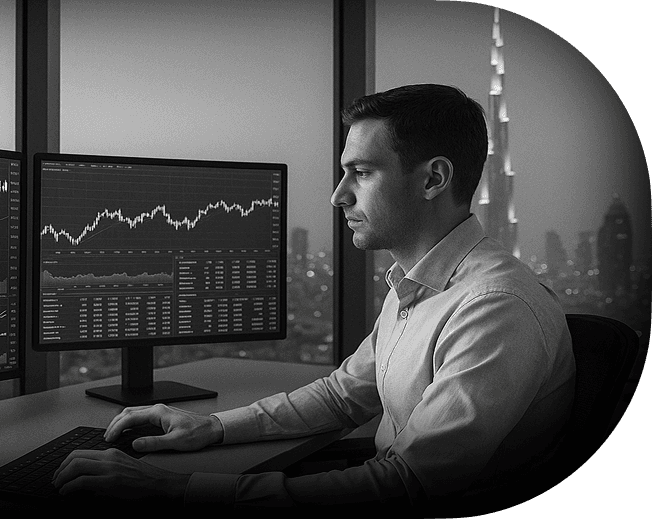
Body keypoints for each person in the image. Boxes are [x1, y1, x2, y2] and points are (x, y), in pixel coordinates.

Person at [51, 84, 577, 511]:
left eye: (362, 173)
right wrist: (210, 427)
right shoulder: (418, 283)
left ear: (434, 179)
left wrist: (173, 490)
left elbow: (408, 487)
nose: (337, 194)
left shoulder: (494, 307)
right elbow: (342, 395)